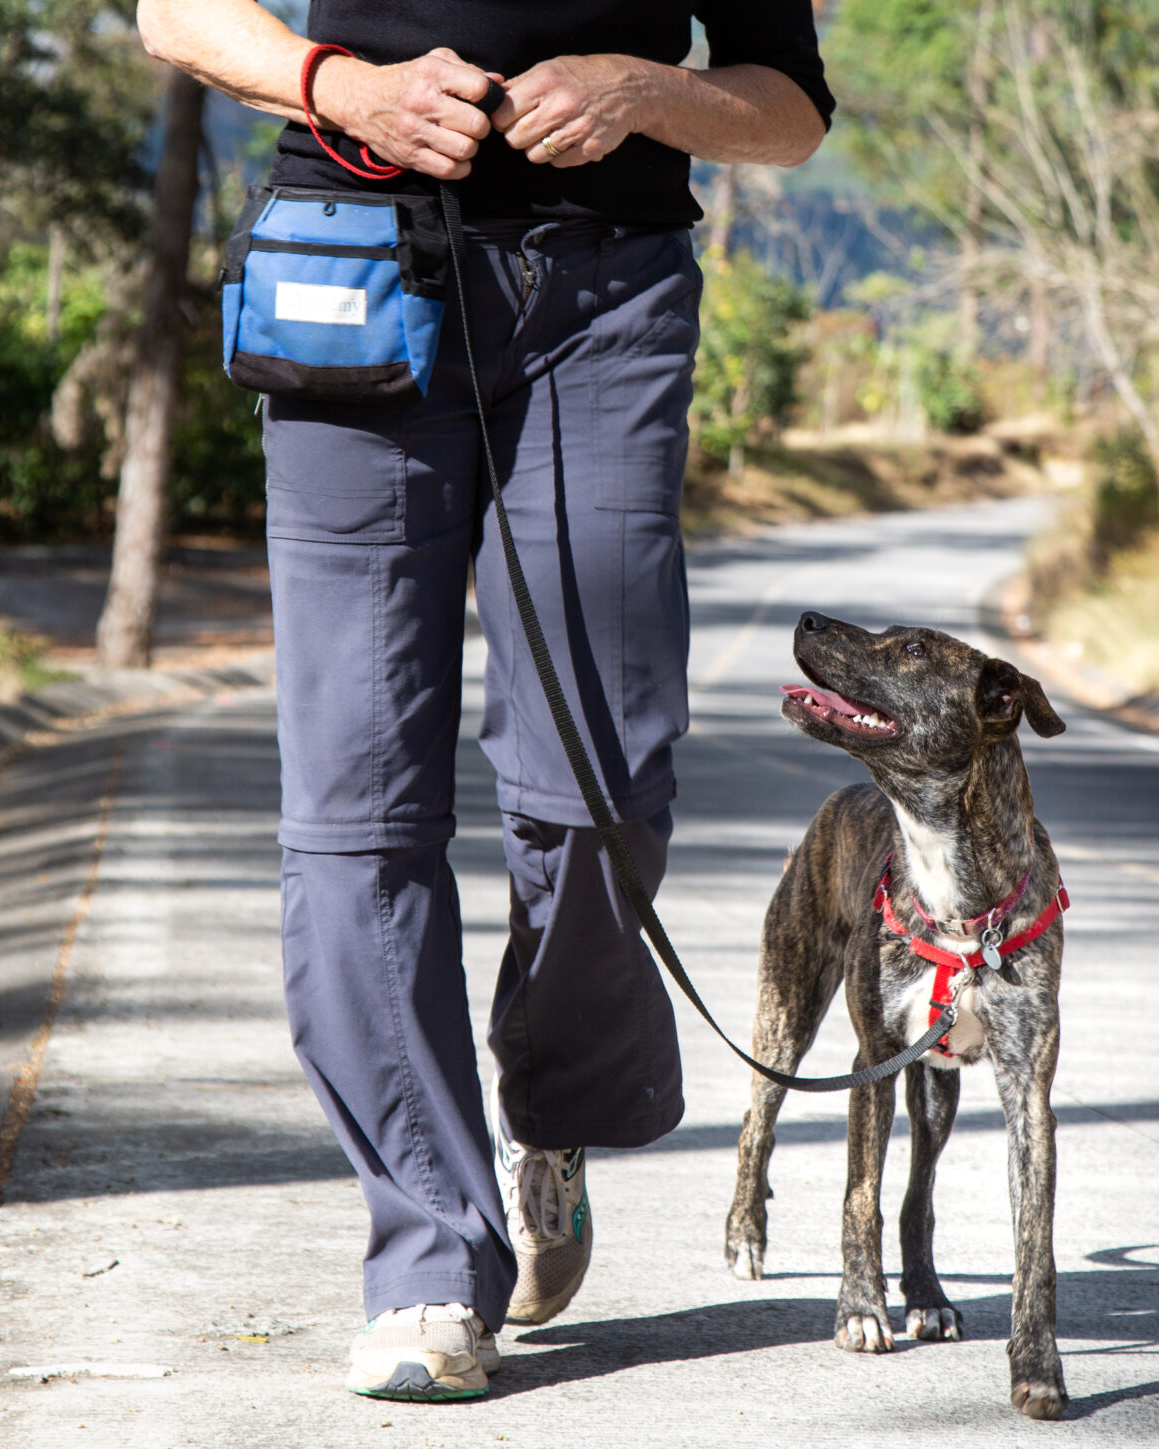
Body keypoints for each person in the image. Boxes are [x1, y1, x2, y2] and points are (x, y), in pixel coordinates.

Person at [136, 0, 833, 1404]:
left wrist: (646, 90)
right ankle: (429, 1266)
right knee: (354, 807)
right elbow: (175, 15)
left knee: (602, 774)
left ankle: (556, 1108)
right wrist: (345, 89)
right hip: (351, 265)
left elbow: (790, 108)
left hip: (609, 295)